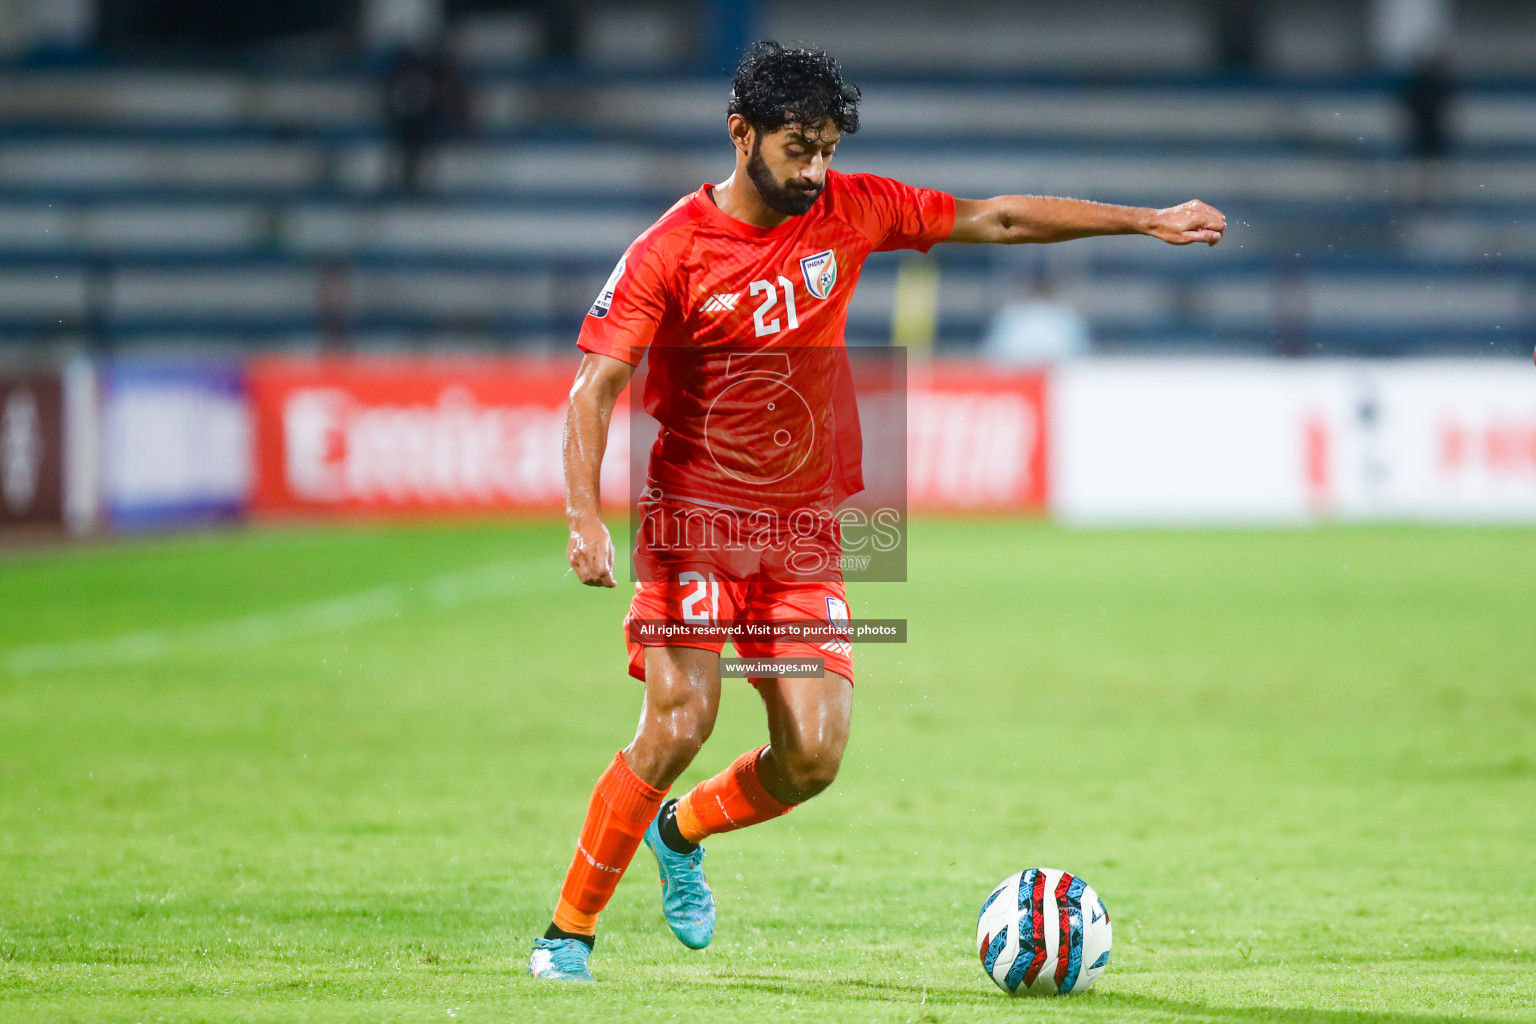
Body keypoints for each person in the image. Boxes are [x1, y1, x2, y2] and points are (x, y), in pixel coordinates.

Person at [531, 40, 1225, 982]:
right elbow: (595, 386)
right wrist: (583, 515)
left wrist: (1144, 220)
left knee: (813, 757)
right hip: (695, 519)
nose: (815, 171)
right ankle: (566, 936)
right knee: (681, 718)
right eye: (797, 149)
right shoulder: (671, 250)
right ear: (743, 137)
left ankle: (678, 830)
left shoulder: (853, 209)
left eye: (824, 149)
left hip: (805, 529)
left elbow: (1002, 218)